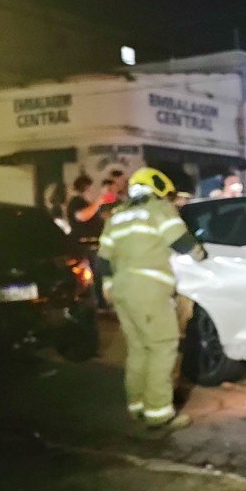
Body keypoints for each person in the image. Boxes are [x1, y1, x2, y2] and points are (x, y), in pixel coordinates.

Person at [96, 167, 207, 430]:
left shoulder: (117, 216)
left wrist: (108, 286)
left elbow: (102, 260)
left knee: (138, 348)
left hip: (122, 290)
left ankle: (137, 404)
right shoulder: (158, 209)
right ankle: (159, 412)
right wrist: (200, 254)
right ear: (157, 188)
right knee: (162, 346)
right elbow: (181, 242)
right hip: (148, 290)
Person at [67, 175, 110, 244]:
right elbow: (81, 216)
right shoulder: (76, 201)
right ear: (87, 189)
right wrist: (99, 201)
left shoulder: (88, 203)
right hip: (85, 241)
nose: (94, 191)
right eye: (92, 188)